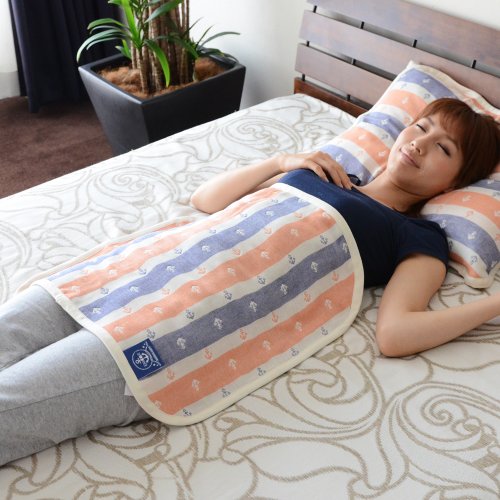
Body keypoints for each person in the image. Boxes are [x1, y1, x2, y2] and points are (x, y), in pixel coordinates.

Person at [0, 98, 499, 467]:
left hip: (178, 324)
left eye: (443, 147)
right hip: (133, 272)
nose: (419, 142)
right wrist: (281, 163)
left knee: (11, 405)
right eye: (421, 125)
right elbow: (207, 201)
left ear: (455, 183)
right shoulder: (326, 170)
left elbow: (395, 333)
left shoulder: (416, 235)